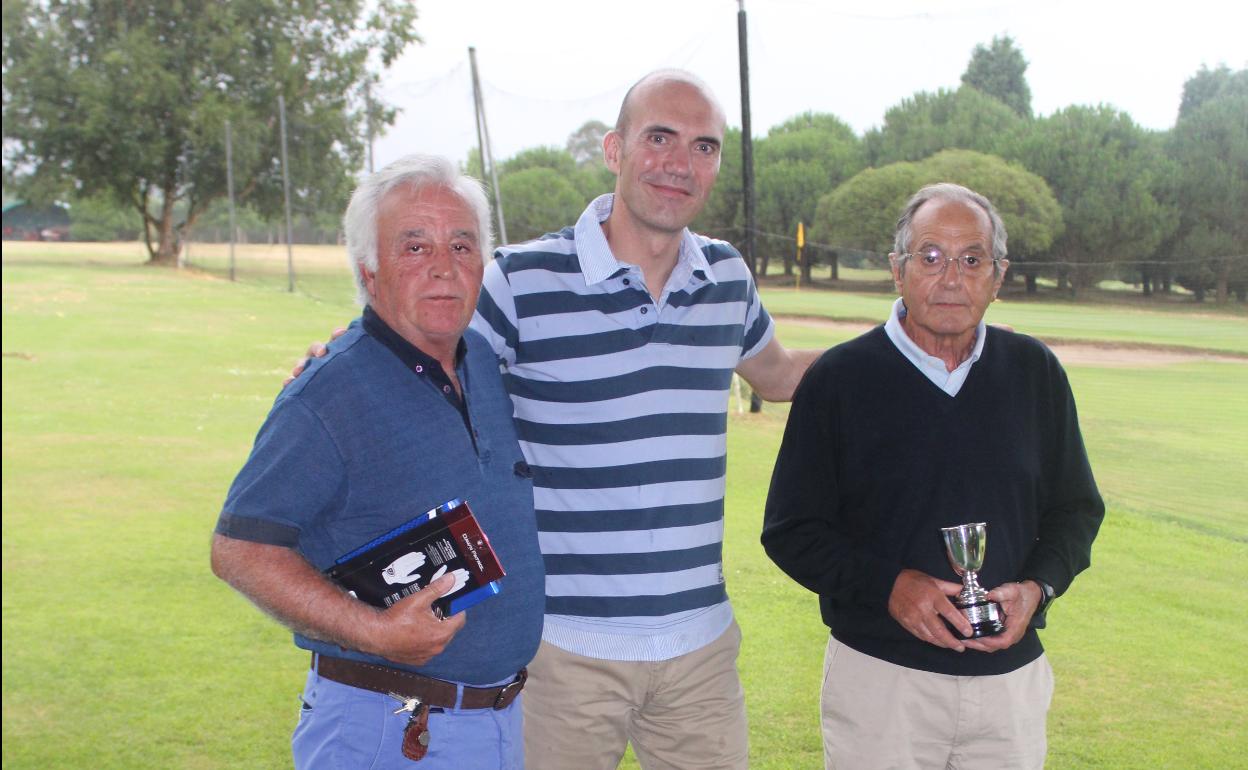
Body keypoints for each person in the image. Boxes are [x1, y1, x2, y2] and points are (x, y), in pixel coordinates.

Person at [468, 69, 819, 770]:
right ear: (614, 149)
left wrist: (902, 349)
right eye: (659, 137)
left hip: (700, 655)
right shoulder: (521, 280)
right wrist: (344, 361)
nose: (679, 163)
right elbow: (431, 373)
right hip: (563, 652)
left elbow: (778, 375)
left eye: (703, 146)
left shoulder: (726, 278)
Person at [211, 154, 544, 770]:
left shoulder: (482, 365)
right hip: (388, 731)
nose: (444, 267)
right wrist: (373, 631)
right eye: (414, 247)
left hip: (496, 723)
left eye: (462, 246)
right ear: (369, 271)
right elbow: (240, 549)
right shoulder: (328, 392)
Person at [761, 182, 1105, 769]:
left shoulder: (1034, 373)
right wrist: (889, 588)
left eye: (972, 260)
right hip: (881, 685)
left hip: (1008, 687)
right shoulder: (840, 380)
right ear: (898, 271)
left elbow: (1076, 510)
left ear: (998, 277)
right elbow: (791, 530)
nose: (952, 277)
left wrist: (1038, 588)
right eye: (931, 257)